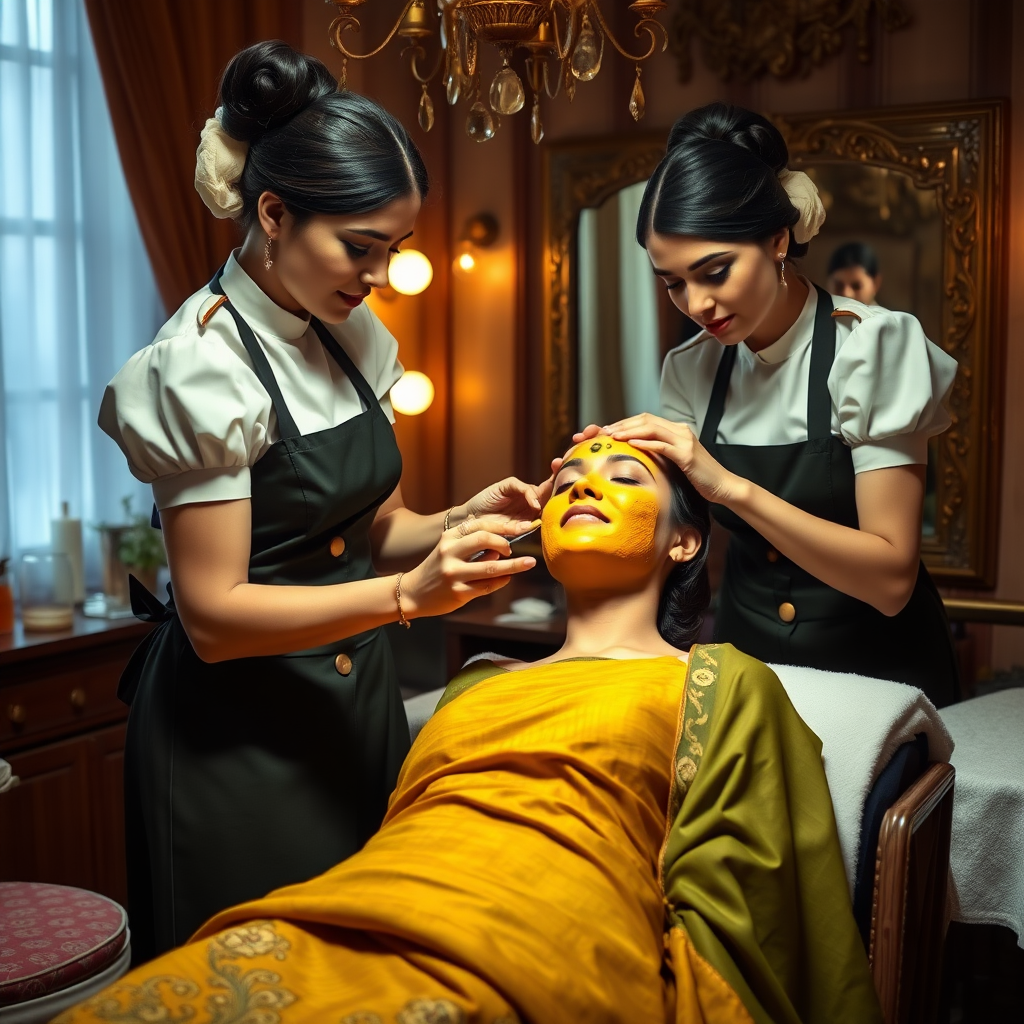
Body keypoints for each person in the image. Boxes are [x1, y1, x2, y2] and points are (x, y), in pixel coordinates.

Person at [56, 437, 882, 1024]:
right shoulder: (477, 681)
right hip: (369, 903)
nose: (582, 486)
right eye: (567, 480)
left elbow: (749, 890)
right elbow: (407, 830)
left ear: (684, 540)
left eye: (622, 476)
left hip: (550, 932)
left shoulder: (720, 682)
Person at [99, 41, 543, 962]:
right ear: (273, 213)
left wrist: (461, 519)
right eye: (360, 246)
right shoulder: (200, 367)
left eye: (393, 249)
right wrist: (408, 600)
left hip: (350, 714)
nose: (377, 274)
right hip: (235, 741)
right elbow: (215, 616)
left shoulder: (351, 335)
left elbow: (375, 530)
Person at [573, 103, 960, 709]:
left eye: (715, 270)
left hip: (880, 678)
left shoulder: (874, 348)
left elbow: (890, 579)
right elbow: (669, 531)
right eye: (673, 282)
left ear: (778, 240)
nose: (697, 303)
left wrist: (732, 488)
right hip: (751, 667)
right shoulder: (692, 367)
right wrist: (595, 478)